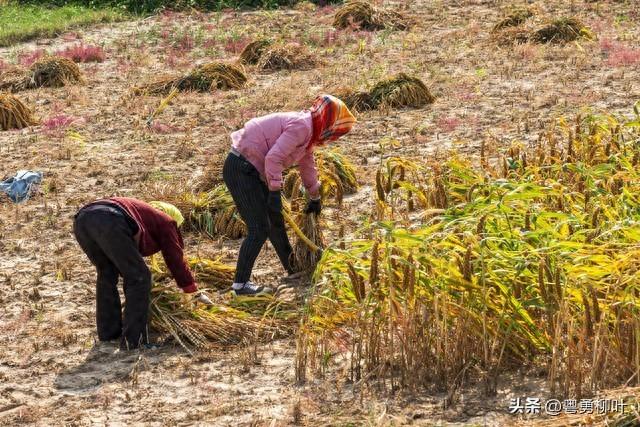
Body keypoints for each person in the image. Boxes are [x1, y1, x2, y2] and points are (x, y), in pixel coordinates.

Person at [223, 94, 357, 296]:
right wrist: (275, 192)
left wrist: (314, 197)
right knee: (259, 228)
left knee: (275, 222)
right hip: (241, 169)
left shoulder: (310, 132)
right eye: (335, 130)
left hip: (252, 169)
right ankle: (240, 285)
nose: (333, 136)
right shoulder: (302, 126)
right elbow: (273, 158)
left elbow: (307, 166)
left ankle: (292, 268)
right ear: (328, 122)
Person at [73, 197, 211, 350]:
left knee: (107, 273)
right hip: (110, 218)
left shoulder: (142, 214)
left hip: (82, 220)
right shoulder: (166, 221)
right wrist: (191, 290)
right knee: (140, 277)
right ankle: (134, 340)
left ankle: (109, 334)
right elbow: (174, 258)